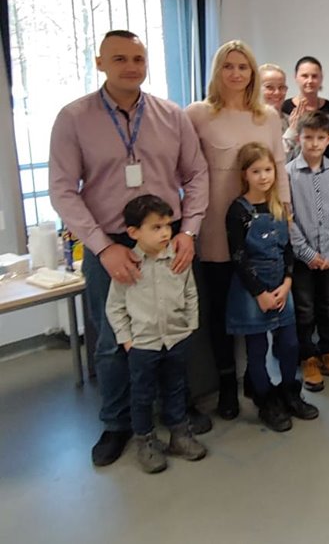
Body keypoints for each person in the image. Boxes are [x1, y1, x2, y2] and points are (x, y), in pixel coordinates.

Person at [49, 29, 209, 467]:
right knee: (113, 339)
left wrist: (188, 231)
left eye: (138, 58)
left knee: (173, 327)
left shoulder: (171, 115)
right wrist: (103, 248)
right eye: (119, 58)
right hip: (111, 245)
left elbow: (196, 175)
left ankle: (176, 414)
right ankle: (118, 423)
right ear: (100, 63)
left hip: (167, 239)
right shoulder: (74, 118)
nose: (131, 67)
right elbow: (63, 190)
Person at [186, 40, 290, 421]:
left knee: (258, 305)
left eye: (243, 66)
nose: (235, 73)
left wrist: (285, 215)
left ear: (253, 72)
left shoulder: (268, 116)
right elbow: (185, 169)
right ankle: (227, 383)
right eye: (228, 66)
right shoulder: (197, 114)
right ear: (217, 71)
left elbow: (279, 166)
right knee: (220, 312)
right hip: (215, 225)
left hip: (260, 229)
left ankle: (256, 381)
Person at [105, 195, 206, 473]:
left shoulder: (178, 260)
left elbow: (190, 293)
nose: (165, 233)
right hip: (143, 345)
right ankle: (146, 442)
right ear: (133, 232)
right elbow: (115, 307)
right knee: (142, 395)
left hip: (176, 339)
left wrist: (190, 326)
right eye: (156, 227)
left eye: (167, 225)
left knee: (176, 388)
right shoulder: (128, 267)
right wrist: (127, 340)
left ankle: (179, 435)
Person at [226, 142, 319, 432]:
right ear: (245, 174)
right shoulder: (238, 211)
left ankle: (290, 391)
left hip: (281, 286)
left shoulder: (279, 206)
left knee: (290, 343)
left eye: (268, 170)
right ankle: (266, 399)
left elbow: (287, 249)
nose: (263, 176)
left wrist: (287, 282)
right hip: (253, 291)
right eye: (256, 171)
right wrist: (259, 293)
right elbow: (239, 257)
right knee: (257, 349)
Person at [286, 111, 329, 393]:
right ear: (299, 138)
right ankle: (308, 357)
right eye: (308, 137)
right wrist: (305, 252)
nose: (314, 143)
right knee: (304, 309)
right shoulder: (288, 173)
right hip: (302, 256)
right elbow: (287, 217)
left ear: (328, 140)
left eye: (320, 138)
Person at [281, 56, 329, 162]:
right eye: (304, 76)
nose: (310, 80)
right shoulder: (284, 108)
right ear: (296, 77)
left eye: (314, 76)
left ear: (321, 78)